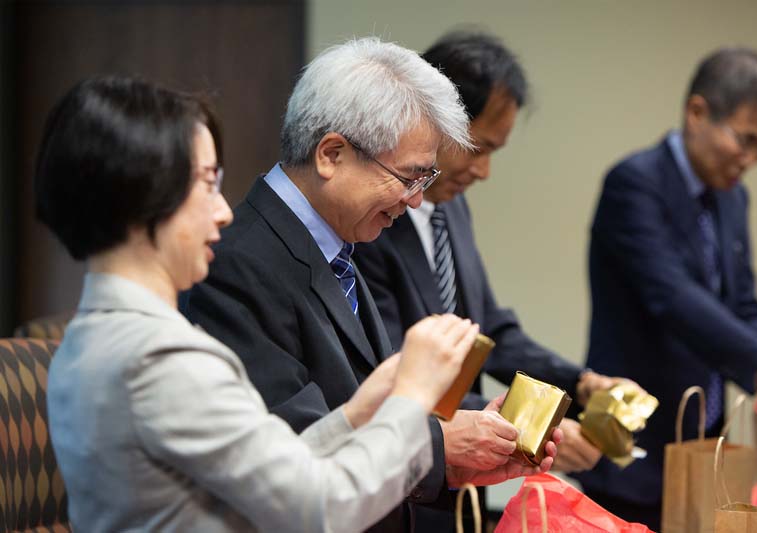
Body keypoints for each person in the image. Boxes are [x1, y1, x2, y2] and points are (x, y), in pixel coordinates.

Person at [36, 75, 508, 532]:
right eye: (205, 182)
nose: (223, 210)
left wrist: (357, 413)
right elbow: (318, 510)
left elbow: (276, 467)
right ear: (141, 199)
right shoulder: (161, 359)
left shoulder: (95, 334)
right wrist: (411, 399)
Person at [183, 37, 560, 533]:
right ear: (331, 154)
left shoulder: (337, 245)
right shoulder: (238, 266)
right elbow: (293, 446)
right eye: (409, 178)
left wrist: (452, 437)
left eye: (425, 180)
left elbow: (360, 401)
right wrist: (439, 445)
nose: (416, 202)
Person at [353, 31, 640, 531]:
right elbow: (388, 372)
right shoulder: (374, 223)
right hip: (394, 485)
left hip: (451, 493)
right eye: (478, 148)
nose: (484, 171)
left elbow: (490, 331)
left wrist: (580, 385)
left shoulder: (451, 208)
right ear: (434, 122)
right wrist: (520, 425)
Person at [575, 47, 757, 530]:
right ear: (697, 113)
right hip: (635, 450)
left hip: (706, 446)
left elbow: (740, 303)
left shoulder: (732, 196)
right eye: (745, 139)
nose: (752, 158)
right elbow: (672, 297)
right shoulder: (634, 183)